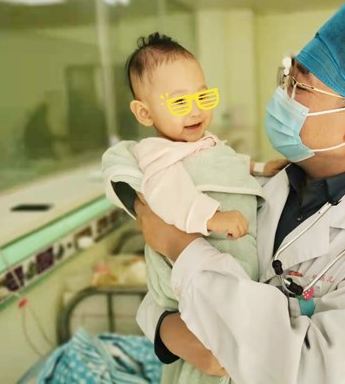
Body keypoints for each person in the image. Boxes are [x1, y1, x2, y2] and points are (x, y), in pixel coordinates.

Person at [133, 3, 345, 384]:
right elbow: (159, 294)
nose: (282, 94)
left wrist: (182, 247)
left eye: (300, 86)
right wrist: (171, 332)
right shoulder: (256, 186)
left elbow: (321, 373)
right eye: (286, 77)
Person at [101, 33, 287, 384]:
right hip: (197, 269)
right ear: (144, 113)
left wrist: (262, 168)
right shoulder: (156, 153)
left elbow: (227, 162)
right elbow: (167, 194)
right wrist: (211, 218)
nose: (196, 110)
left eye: (202, 96)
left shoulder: (202, 144)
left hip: (231, 275)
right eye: (179, 102)